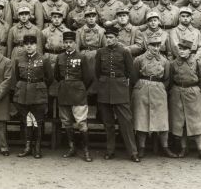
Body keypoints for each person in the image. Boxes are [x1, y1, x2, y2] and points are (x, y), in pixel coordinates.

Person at [95, 25, 140, 162]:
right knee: (108, 123)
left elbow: (131, 73)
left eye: (111, 37)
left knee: (126, 122)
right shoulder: (100, 52)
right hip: (104, 88)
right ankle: (110, 150)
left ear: (117, 38)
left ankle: (133, 152)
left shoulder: (124, 52)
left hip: (120, 88)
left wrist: (121, 82)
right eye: (107, 37)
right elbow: (97, 72)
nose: (109, 40)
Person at [131, 35, 176, 158]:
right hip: (142, 88)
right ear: (147, 45)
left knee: (162, 119)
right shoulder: (139, 60)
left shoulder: (164, 61)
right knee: (142, 119)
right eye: (152, 45)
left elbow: (167, 79)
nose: (155, 48)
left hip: (158, 89)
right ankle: (141, 147)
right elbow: (134, 77)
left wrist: (160, 87)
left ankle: (165, 147)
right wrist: (142, 86)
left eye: (157, 45)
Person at [11, 34, 54, 159]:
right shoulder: (19, 59)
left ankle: (37, 148)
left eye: (32, 44)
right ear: (24, 46)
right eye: (26, 44)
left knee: (38, 122)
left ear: (36, 45)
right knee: (27, 121)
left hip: (38, 94)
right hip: (23, 93)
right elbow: (18, 76)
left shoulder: (43, 59)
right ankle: (27, 147)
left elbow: (49, 78)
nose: (29, 46)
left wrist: (39, 86)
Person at [54, 31, 93, 161]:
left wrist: (80, 87)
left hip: (78, 93)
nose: (68, 45)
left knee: (81, 123)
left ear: (75, 43)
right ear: (63, 43)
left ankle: (86, 151)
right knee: (66, 122)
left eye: (70, 42)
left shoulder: (82, 57)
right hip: (64, 92)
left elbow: (88, 77)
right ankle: (72, 148)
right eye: (66, 42)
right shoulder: (59, 57)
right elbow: (56, 76)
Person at [168, 38, 201, 160]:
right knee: (181, 122)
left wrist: (198, 90)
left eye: (184, 49)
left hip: (193, 93)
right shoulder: (173, 63)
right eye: (180, 49)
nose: (181, 51)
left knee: (197, 122)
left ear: (190, 51)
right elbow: (170, 79)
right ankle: (184, 148)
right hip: (178, 93)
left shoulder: (197, 63)